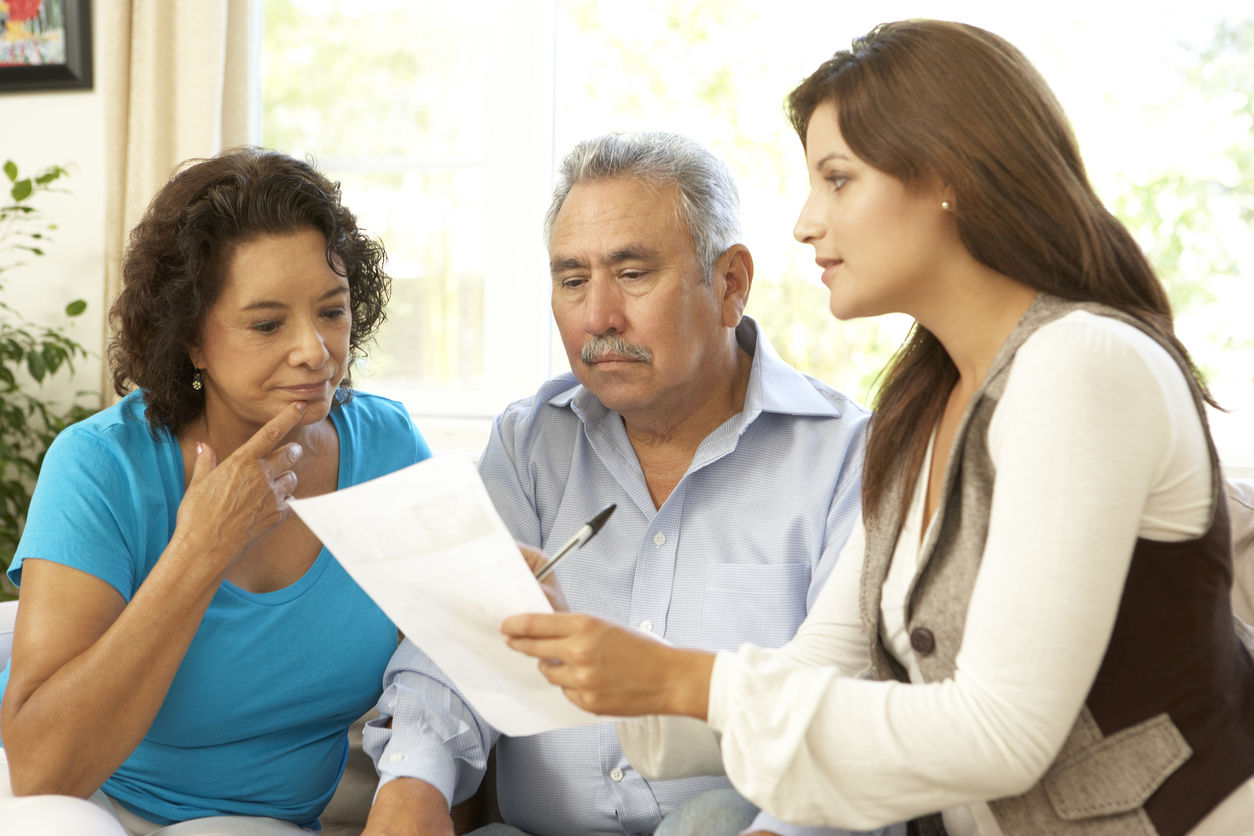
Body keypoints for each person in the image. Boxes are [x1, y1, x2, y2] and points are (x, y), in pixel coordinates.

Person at [499, 20, 1254, 836]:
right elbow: (816, 673)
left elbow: (1000, 733)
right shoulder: (919, 410)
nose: (805, 222)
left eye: (837, 179)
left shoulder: (1082, 363)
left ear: (948, 178)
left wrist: (680, 679)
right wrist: (599, 669)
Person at [362, 133, 889, 836]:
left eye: (633, 273)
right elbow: (457, 649)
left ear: (730, 283)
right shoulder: (528, 444)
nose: (597, 317)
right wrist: (411, 786)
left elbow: (852, 720)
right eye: (572, 280)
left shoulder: (847, 457)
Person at [0, 148, 433, 835]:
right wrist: (201, 548)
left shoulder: (388, 449)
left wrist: (497, 600)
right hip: (98, 806)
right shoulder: (99, 468)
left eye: (332, 311)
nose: (315, 351)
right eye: (267, 324)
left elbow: (443, 662)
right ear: (191, 338)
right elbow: (43, 769)